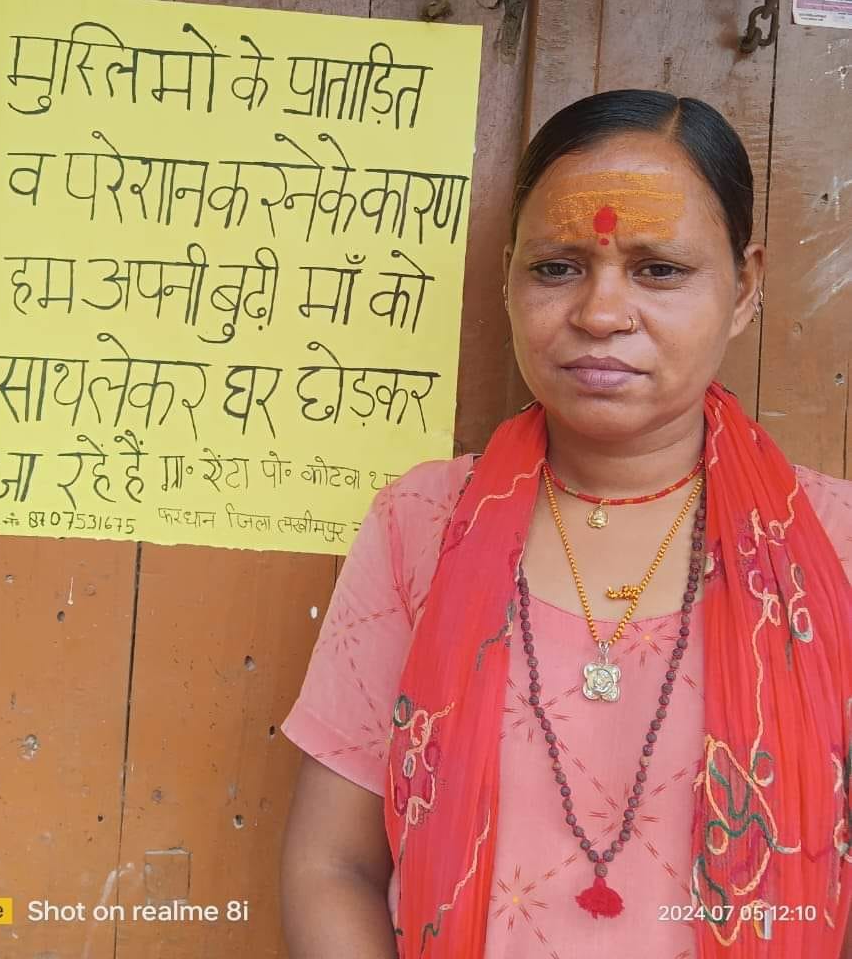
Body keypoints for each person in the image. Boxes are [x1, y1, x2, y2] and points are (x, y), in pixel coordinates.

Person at [279, 90, 852, 959]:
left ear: (744, 288)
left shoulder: (837, 544)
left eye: (657, 269)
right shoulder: (422, 524)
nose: (599, 313)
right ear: (508, 277)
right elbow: (333, 867)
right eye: (557, 268)